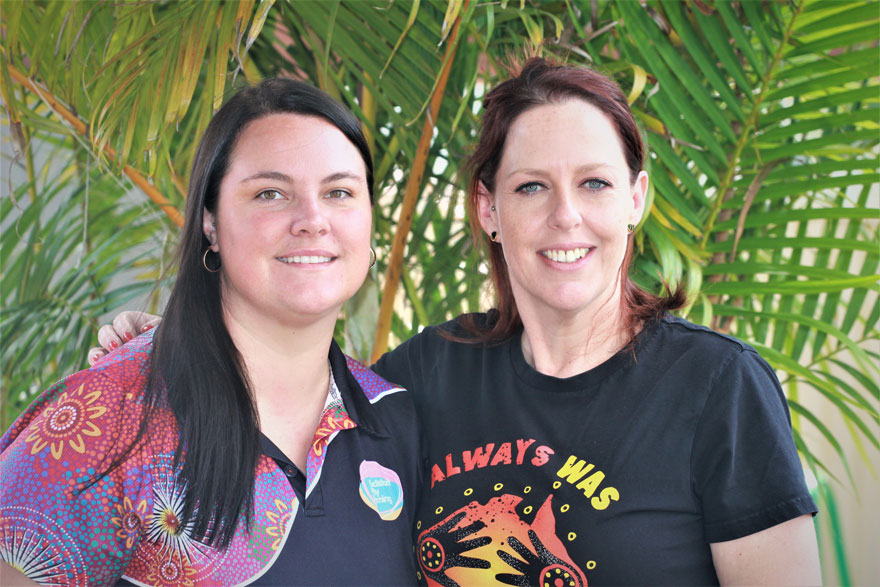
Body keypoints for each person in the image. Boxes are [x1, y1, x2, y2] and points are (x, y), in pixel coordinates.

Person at [85, 58, 821, 585]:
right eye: (531, 185)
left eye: (594, 182)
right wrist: (174, 340)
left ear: (636, 198)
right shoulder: (428, 376)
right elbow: (290, 399)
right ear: (488, 209)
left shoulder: (717, 387)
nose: (566, 215)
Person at [0, 79, 422, 586]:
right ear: (211, 223)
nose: (313, 220)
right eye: (270, 193)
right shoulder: (109, 416)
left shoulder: (393, 416)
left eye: (339, 193)